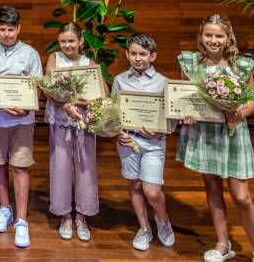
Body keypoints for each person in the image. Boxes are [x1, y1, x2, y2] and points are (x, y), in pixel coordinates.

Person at [176, 14, 254, 262]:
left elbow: (252, 100)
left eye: (219, 35)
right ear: (201, 36)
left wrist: (240, 111)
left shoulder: (241, 66)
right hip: (205, 132)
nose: (213, 40)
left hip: (233, 133)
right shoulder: (191, 63)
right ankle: (223, 244)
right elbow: (183, 97)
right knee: (212, 188)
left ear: (228, 37)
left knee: (242, 196)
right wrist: (185, 113)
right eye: (208, 35)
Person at [0, 6, 42, 248]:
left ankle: (22, 220)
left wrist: (26, 108)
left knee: (20, 167)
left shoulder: (31, 54)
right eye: (2, 29)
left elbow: (37, 87)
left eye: (11, 29)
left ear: (19, 28)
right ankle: (5, 209)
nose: (6, 34)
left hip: (22, 120)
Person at [112, 33, 175, 251]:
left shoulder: (164, 83)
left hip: (154, 144)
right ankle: (144, 227)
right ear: (127, 54)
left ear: (153, 56)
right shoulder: (120, 80)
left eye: (143, 54)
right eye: (133, 53)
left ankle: (163, 220)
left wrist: (161, 133)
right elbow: (112, 112)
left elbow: (172, 116)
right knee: (135, 184)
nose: (138, 58)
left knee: (152, 191)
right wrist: (119, 132)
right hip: (128, 142)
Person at [44, 22, 103, 242]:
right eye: (63, 41)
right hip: (60, 118)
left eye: (71, 41)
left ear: (81, 41)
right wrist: (65, 105)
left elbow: (102, 93)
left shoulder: (90, 63)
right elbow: (49, 88)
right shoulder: (53, 59)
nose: (67, 45)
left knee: (85, 168)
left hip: (84, 121)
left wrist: (92, 101)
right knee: (60, 166)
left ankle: (82, 215)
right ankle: (65, 215)